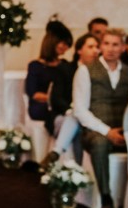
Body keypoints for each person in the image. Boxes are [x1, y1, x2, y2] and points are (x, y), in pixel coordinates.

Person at [73, 28, 128, 208]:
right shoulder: (86, 70)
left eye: (116, 44)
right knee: (101, 143)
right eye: (106, 44)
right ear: (101, 46)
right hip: (95, 131)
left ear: (123, 48)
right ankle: (106, 200)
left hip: (124, 130)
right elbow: (80, 110)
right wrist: (107, 131)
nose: (110, 49)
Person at [40, 33, 100, 170]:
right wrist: (71, 111)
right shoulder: (65, 69)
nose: (95, 50)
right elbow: (56, 98)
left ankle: (57, 152)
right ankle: (76, 169)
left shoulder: (101, 72)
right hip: (64, 114)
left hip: (91, 117)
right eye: (90, 47)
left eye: (97, 47)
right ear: (79, 50)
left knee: (79, 117)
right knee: (76, 118)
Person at [25, 17, 72, 121]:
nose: (66, 48)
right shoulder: (35, 66)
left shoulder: (65, 65)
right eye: (63, 43)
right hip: (43, 106)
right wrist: (56, 100)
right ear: (52, 42)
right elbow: (33, 93)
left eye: (67, 45)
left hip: (62, 105)